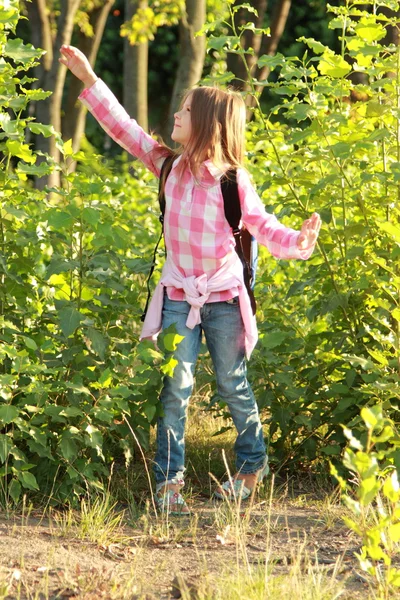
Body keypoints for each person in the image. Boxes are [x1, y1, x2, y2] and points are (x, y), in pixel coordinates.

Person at [59, 45, 321, 516]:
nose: (174, 115)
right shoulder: (167, 167)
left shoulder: (233, 182)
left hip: (223, 299)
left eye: (184, 110)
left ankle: (250, 466)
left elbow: (262, 225)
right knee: (175, 388)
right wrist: (89, 77)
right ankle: (168, 483)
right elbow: (124, 130)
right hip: (179, 295)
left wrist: (298, 242)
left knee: (232, 383)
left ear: (207, 125)